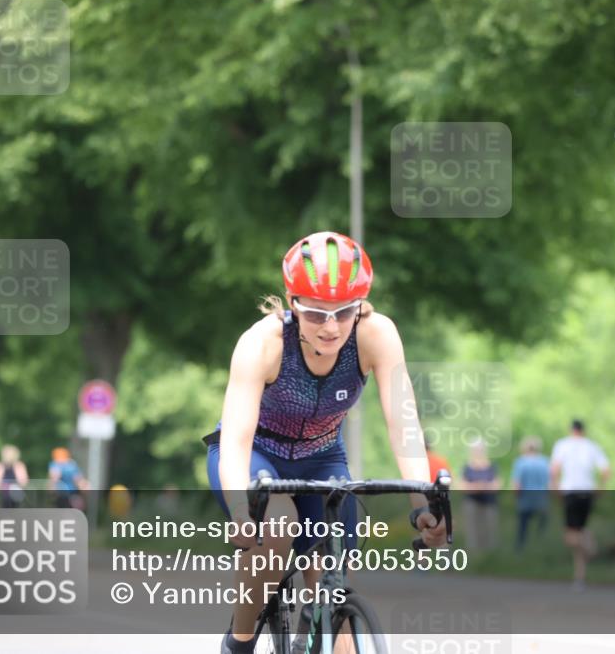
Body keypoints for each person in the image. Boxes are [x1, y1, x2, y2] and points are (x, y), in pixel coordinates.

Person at [203, 231, 447, 654]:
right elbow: (239, 438)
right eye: (316, 314)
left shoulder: (376, 336)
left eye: (344, 312)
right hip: (256, 454)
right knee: (276, 527)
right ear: (292, 301)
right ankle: (240, 640)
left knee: (334, 600)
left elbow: (403, 422)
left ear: (360, 304)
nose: (331, 327)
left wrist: (421, 505)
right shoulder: (262, 344)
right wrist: (242, 509)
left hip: (321, 457)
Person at [550, 419, 610, 591]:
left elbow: (554, 469)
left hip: (570, 492)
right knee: (580, 531)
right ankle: (579, 577)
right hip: (587, 492)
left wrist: (555, 487)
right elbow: (606, 470)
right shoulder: (592, 446)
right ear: (583, 431)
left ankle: (590, 549)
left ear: (571, 430)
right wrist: (600, 487)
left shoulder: (562, 445)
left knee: (571, 536)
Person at [458, 438, 501, 551]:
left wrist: (481, 487)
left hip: (489, 502)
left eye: (480, 449)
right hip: (471, 502)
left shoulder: (492, 466)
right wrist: (480, 486)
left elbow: (497, 485)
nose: (478, 451)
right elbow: (462, 486)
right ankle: (474, 556)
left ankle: (489, 557)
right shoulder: (467, 467)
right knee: (472, 530)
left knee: (490, 529)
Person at [511, 436, 550, 550]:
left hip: (525, 498)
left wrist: (516, 496)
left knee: (523, 526)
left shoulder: (520, 462)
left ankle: (521, 547)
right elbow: (549, 482)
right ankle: (540, 546)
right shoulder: (544, 461)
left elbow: (517, 484)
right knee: (541, 525)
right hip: (541, 498)